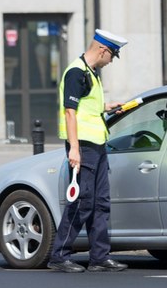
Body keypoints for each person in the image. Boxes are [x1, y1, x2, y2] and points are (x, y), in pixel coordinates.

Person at [47, 29, 128, 273]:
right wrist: (74, 149)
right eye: (112, 55)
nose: (111, 60)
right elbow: (70, 112)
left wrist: (105, 107)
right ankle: (59, 256)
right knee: (82, 201)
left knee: (101, 202)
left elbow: (84, 107)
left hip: (97, 144)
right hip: (82, 145)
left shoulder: (90, 73)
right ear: (102, 50)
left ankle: (99, 257)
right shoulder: (76, 72)